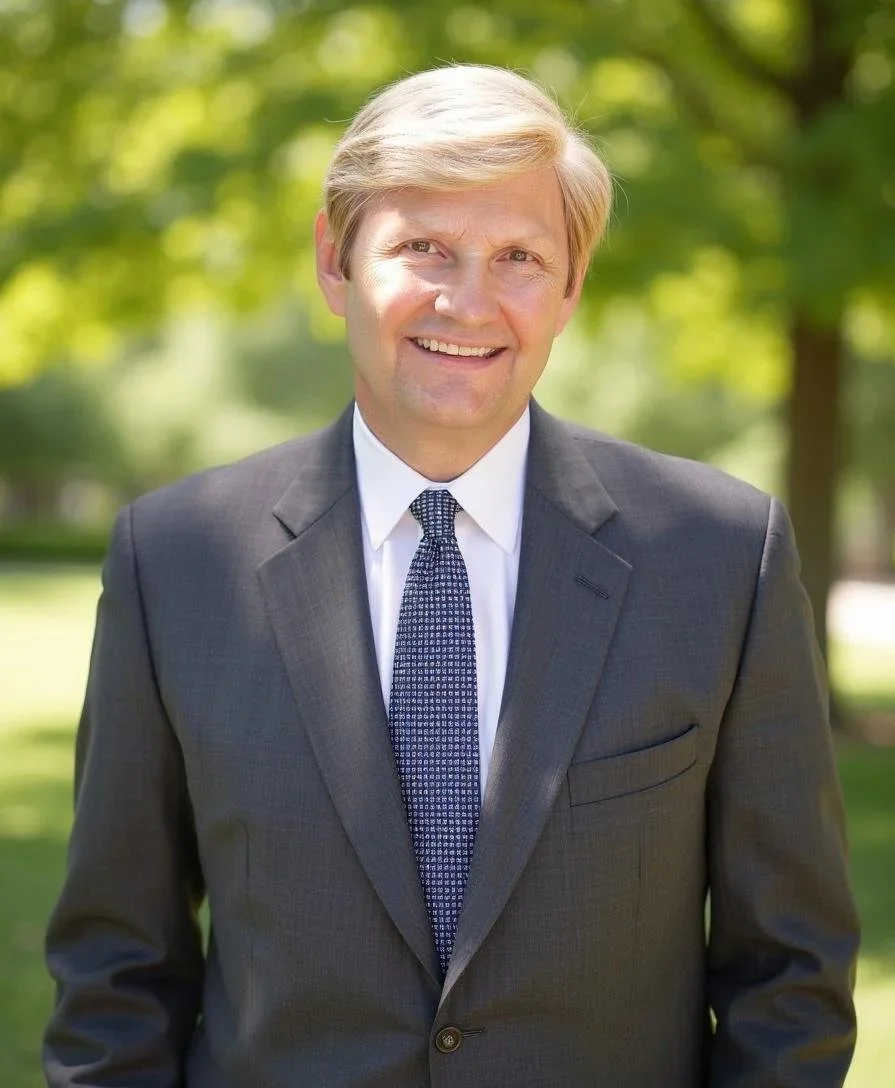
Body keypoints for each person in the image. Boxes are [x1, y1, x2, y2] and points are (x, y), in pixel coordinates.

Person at [44, 64, 859, 1087]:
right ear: (335, 263)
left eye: (518, 255)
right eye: (423, 246)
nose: (467, 301)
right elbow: (115, 972)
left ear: (570, 285)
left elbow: (787, 977)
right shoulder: (175, 563)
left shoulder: (718, 556)